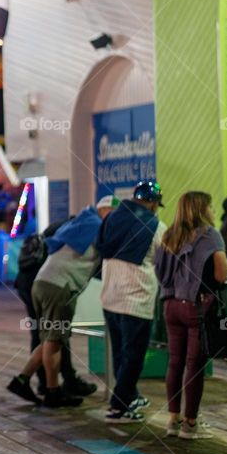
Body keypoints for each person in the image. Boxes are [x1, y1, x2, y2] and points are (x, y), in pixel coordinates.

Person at [8, 196, 115, 407]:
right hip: (59, 288)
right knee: (54, 342)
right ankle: (52, 392)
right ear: (106, 211)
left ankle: (22, 380)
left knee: (48, 339)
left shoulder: (78, 224)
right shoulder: (97, 227)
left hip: (42, 283)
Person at [154, 192, 227, 439]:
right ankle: (191, 424)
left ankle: (173, 419)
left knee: (175, 362)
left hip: (170, 305)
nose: (213, 211)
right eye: (211, 206)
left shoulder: (169, 235)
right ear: (201, 209)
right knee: (194, 366)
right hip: (195, 306)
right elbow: (220, 274)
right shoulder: (210, 235)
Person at [98, 180, 167, 423]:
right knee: (134, 357)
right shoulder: (156, 225)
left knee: (120, 353)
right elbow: (166, 261)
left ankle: (129, 396)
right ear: (152, 202)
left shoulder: (110, 219)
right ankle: (119, 406)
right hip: (136, 301)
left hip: (109, 297)